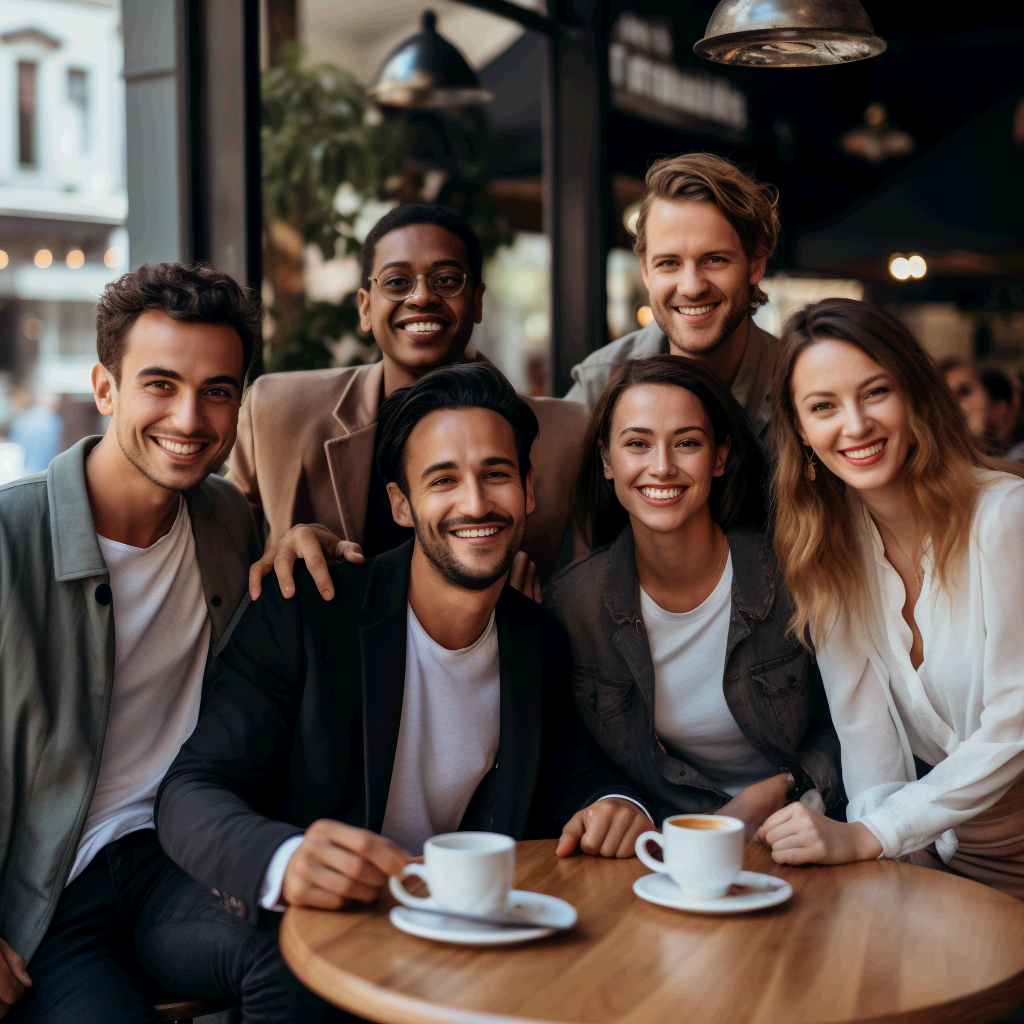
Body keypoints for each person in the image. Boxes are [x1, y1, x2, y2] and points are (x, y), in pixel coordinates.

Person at [156, 363, 652, 1019]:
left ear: (528, 491)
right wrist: (284, 857)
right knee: (302, 964)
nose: (475, 503)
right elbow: (190, 790)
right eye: (442, 480)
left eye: (496, 475)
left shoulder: (539, 639)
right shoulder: (310, 610)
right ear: (401, 504)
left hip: (435, 913)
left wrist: (614, 802)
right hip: (242, 901)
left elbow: (573, 771)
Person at [0, 263, 315, 1023]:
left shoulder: (225, 522)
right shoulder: (12, 536)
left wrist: (296, 539)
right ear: (105, 390)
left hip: (176, 859)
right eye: (160, 384)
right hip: (52, 895)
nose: (189, 417)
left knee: (310, 957)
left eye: (218, 391)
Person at [759, 298, 1024, 900]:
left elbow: (1015, 727)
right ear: (800, 430)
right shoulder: (827, 553)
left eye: (875, 392)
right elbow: (867, 744)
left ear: (914, 395)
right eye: (823, 406)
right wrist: (883, 861)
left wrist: (872, 835)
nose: (854, 426)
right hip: (953, 855)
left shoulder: (1005, 519)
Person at [544, 355, 842, 837]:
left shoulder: (793, 573)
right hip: (669, 846)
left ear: (720, 457)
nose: (661, 468)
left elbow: (858, 716)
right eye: (637, 444)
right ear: (606, 460)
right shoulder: (574, 604)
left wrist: (789, 784)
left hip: (809, 826)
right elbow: (572, 751)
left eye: (686, 443)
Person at [233, 203, 588, 602]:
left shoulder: (568, 434)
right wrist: (284, 545)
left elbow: (600, 584)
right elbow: (220, 554)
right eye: (398, 282)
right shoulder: (274, 408)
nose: (422, 296)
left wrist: (542, 604)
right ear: (365, 308)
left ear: (477, 300)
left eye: (446, 280)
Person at [565, 153, 779, 442]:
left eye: (714, 259)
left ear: (756, 265)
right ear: (646, 272)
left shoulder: (800, 383)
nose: (691, 287)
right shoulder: (599, 384)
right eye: (668, 263)